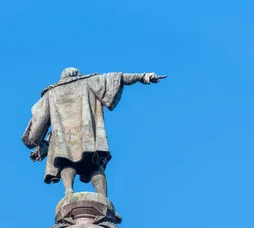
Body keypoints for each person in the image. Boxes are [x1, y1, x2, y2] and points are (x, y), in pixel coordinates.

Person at [22, 68, 166, 196]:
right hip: (87, 136)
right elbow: (117, 78)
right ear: (78, 75)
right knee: (94, 166)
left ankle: (69, 191)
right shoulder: (89, 82)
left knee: (66, 162)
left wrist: (35, 140)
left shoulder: (51, 93)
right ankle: (102, 197)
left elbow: (40, 122)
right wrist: (143, 76)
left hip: (63, 139)